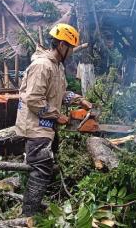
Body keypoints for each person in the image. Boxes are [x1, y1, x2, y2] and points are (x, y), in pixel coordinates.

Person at [15, 23, 92, 216]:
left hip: (47, 125)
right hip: (36, 126)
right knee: (41, 168)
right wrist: (59, 116)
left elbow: (60, 93)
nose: (72, 52)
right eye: (71, 48)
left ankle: (44, 202)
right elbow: (33, 99)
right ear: (61, 45)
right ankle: (28, 216)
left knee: (51, 161)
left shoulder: (57, 66)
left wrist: (79, 100)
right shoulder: (42, 66)